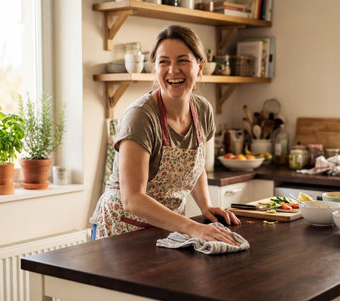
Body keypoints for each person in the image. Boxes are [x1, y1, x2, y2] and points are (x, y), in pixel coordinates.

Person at [89, 25, 240, 244]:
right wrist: (193, 228)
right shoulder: (140, 117)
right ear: (155, 68)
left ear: (200, 67)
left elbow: (194, 167)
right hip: (123, 230)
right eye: (164, 62)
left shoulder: (203, 111)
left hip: (169, 228)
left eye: (182, 60)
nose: (173, 70)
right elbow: (132, 199)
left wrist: (205, 206)